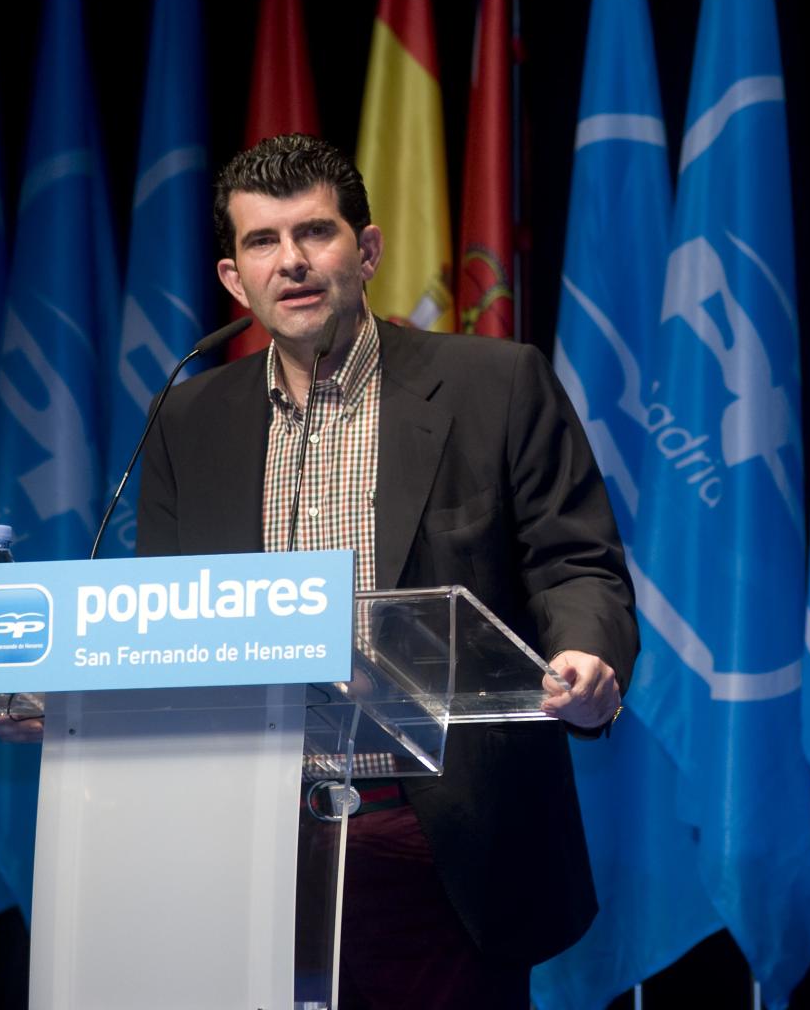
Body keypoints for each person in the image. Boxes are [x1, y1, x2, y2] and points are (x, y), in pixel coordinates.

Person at [135, 133, 638, 1009]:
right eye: (262, 242)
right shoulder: (188, 417)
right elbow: (160, 620)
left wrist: (589, 659)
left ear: (365, 252)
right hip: (247, 840)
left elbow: (575, 563)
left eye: (315, 234)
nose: (291, 262)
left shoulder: (495, 384)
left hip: (438, 832)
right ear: (232, 279)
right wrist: (69, 710)